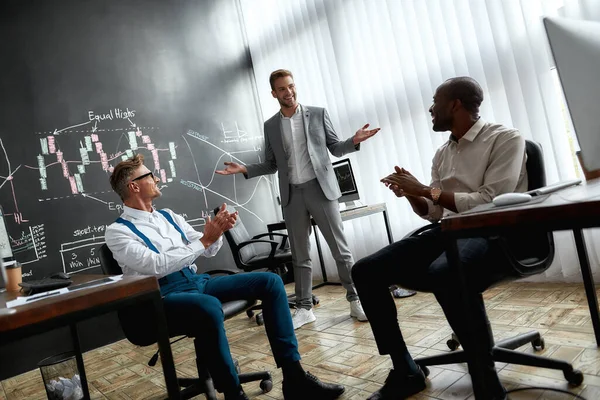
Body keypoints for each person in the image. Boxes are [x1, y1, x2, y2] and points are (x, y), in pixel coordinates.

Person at [104, 154, 345, 400]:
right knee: (207, 306)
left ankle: (295, 378)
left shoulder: (169, 216)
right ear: (134, 186)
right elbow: (155, 265)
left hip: (196, 282)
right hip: (161, 296)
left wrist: (218, 232)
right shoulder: (117, 232)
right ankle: (233, 393)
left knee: (270, 282)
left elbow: (207, 248)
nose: (155, 178)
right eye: (149, 175)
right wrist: (204, 240)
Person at [352, 77, 527, 400]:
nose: (431, 108)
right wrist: (411, 194)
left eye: (435, 101)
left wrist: (427, 191)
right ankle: (406, 370)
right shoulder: (443, 152)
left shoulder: (505, 139)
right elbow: (433, 211)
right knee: (365, 270)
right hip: (447, 230)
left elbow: (492, 200)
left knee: (447, 273)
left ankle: (486, 383)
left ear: (455, 104)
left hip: (492, 232)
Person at [216, 69, 380, 329]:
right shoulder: (271, 125)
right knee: (300, 256)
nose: (288, 92)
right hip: (292, 194)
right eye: (282, 89)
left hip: (320, 189)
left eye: (291, 86)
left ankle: (355, 299)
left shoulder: (317, 113)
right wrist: (245, 169)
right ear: (274, 93)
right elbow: (271, 164)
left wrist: (354, 141)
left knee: (340, 250)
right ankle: (304, 308)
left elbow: (335, 147)